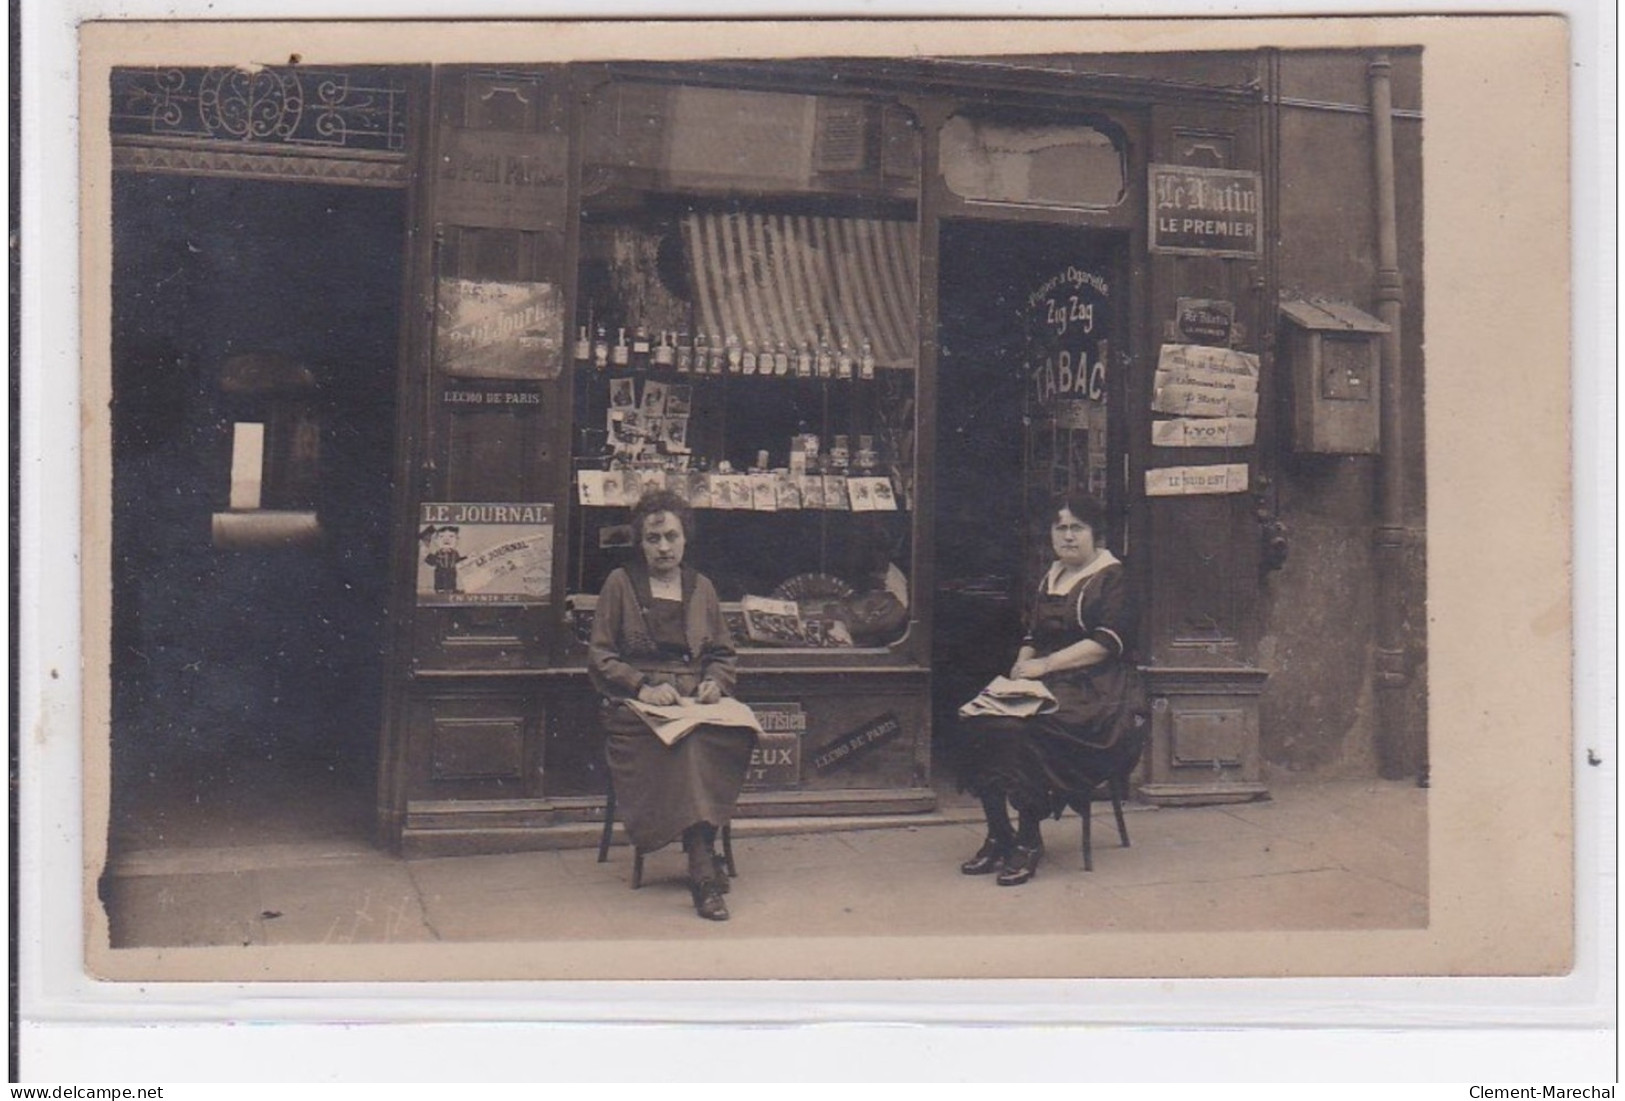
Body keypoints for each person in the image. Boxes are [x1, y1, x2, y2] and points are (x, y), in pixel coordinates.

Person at [955, 492, 1148, 886]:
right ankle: (999, 833)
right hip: (1050, 684)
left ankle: (1028, 839)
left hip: (1100, 695)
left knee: (1023, 729)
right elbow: (1034, 633)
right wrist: (1020, 667)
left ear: (1096, 533)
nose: (1068, 536)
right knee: (978, 718)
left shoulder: (1113, 578)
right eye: (1060, 528)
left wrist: (1043, 666)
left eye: (1078, 527)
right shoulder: (1053, 574)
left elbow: (1105, 645)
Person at [588, 489, 755, 921]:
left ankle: (700, 847)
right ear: (639, 542)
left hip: (692, 704)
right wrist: (641, 686)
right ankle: (703, 868)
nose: (663, 547)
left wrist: (715, 684)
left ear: (686, 539)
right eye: (653, 538)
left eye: (672, 537)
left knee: (728, 733)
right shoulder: (620, 585)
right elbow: (601, 655)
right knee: (686, 745)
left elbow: (722, 653)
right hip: (637, 710)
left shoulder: (702, 588)